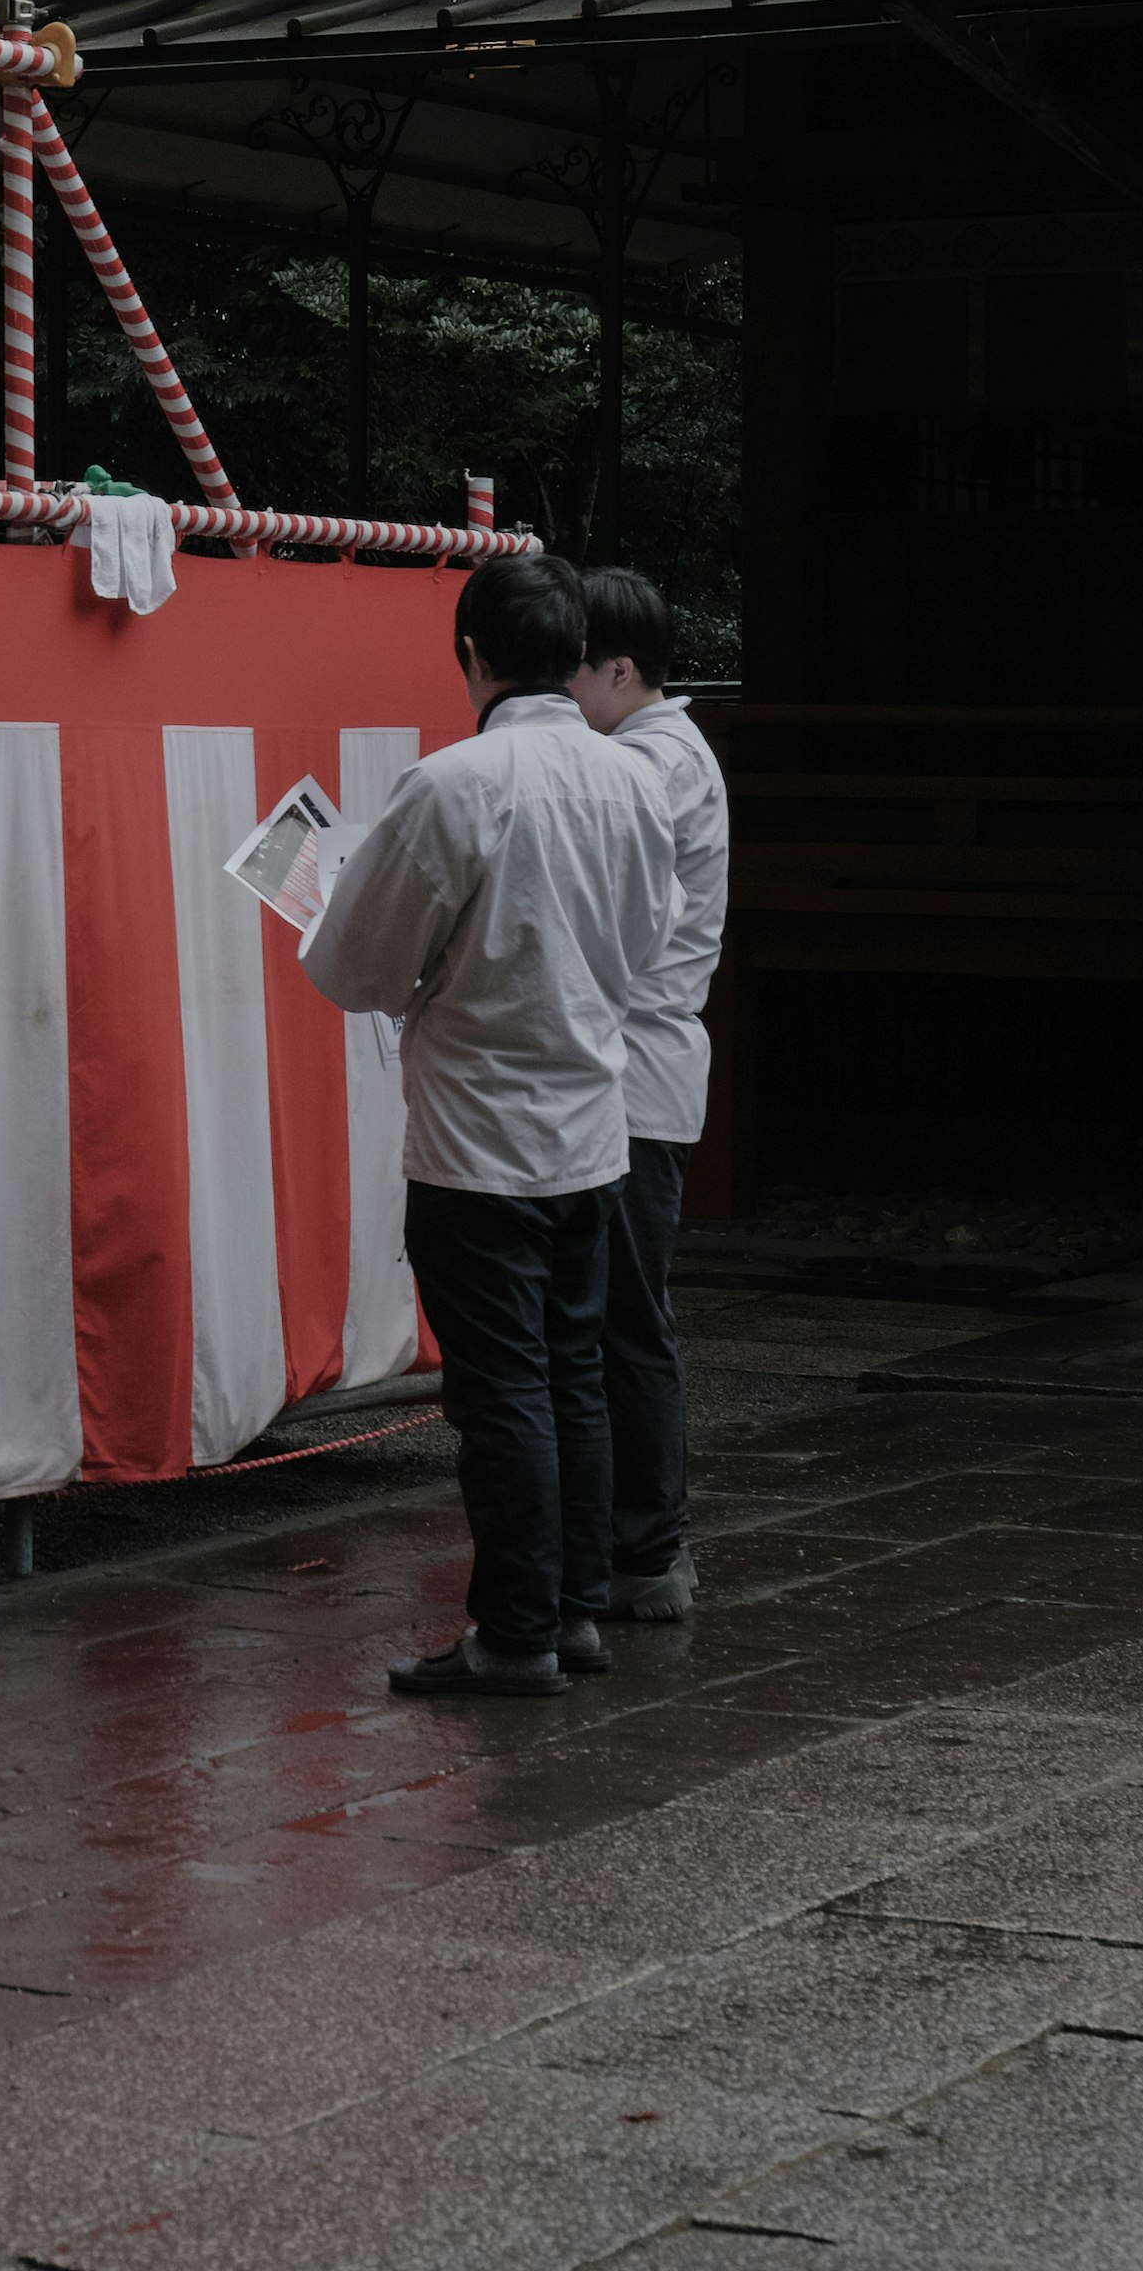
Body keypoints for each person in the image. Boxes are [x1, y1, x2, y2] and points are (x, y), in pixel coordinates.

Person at [300, 554, 678, 1699]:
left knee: (504, 1388)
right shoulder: (633, 782)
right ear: (575, 658)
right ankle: (573, 1613)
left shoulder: (453, 783)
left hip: (477, 1134)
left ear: (470, 656)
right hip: (590, 1122)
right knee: (572, 1373)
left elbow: (355, 967)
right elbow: (649, 945)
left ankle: (515, 1630)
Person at [570, 568, 728, 1624]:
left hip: (632, 1078)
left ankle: (646, 1549)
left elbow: (609, 921)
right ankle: (634, 1549)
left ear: (620, 669)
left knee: (626, 1324)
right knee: (624, 1320)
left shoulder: (651, 763)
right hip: (630, 1075)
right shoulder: (655, 753)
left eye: (571, 669)